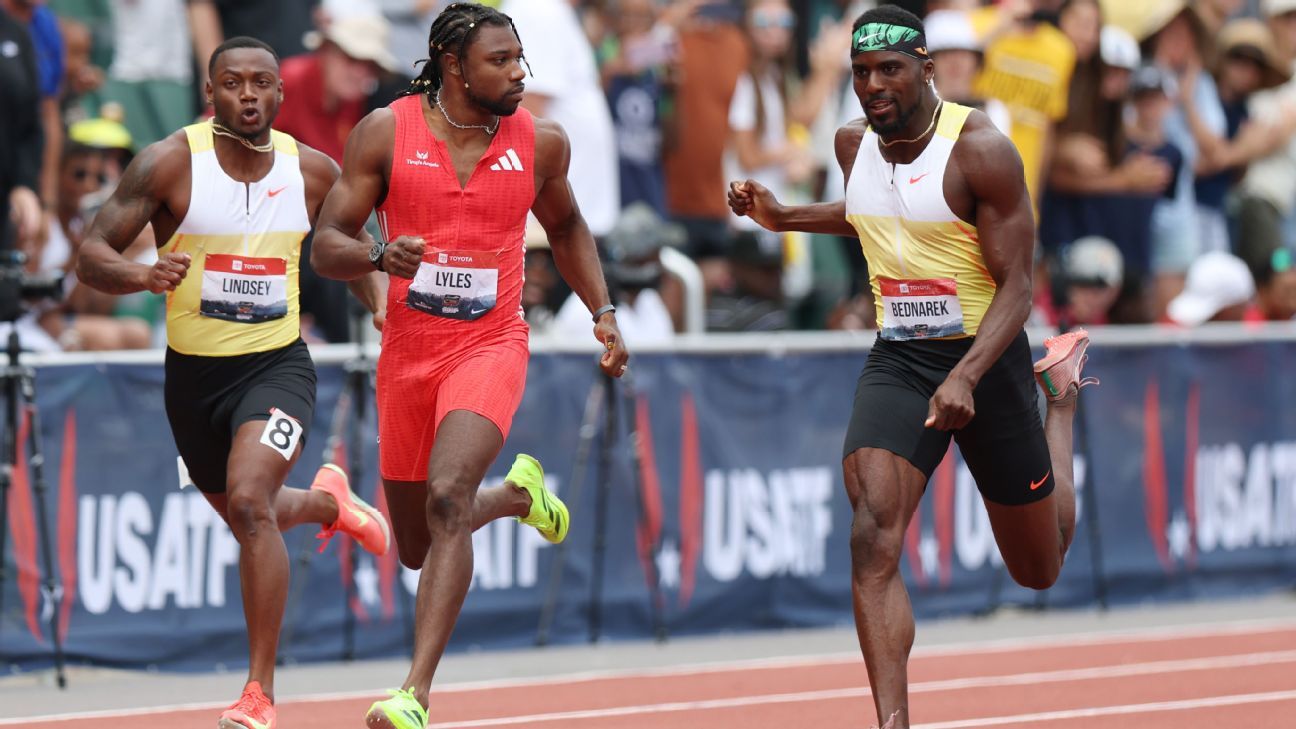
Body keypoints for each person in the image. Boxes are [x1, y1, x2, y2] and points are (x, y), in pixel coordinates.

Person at [728, 8, 1097, 728]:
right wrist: (784, 217)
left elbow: (1018, 284)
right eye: (862, 73)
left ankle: (1062, 401)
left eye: (889, 70)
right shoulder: (850, 143)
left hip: (985, 357)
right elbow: (876, 212)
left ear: (925, 67)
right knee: (872, 532)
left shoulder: (982, 150)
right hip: (900, 355)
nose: (873, 86)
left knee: (1038, 567)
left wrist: (966, 375)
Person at [309, 4, 630, 727]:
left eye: (521, 58)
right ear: (453, 66)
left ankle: (413, 693)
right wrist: (374, 256)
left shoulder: (540, 144)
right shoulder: (386, 132)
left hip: (490, 346)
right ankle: (517, 497)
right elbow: (327, 240)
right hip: (408, 355)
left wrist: (602, 312)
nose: (521, 72)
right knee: (419, 543)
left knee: (450, 495)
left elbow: (569, 227)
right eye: (502, 61)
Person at [75, 37, 394, 729]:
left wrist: (382, 306)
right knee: (257, 514)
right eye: (232, 82)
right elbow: (90, 254)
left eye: (261, 84)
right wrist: (140, 274)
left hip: (276, 364)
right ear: (210, 91)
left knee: (251, 502)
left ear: (279, 95)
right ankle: (329, 504)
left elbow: (354, 243)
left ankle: (258, 691)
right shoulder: (168, 164)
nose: (248, 94)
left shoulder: (310, 170)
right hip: (192, 379)